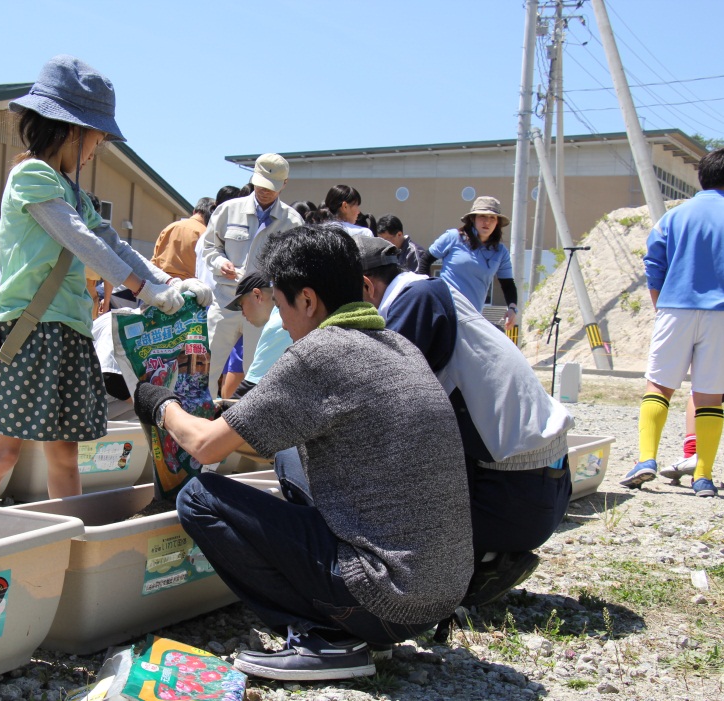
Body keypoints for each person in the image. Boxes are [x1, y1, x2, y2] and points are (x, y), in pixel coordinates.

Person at [134, 225, 472, 681]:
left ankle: (325, 636)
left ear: (308, 301)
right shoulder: (398, 347)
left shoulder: (319, 353)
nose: (283, 322)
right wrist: (233, 413)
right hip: (438, 590)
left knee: (198, 498)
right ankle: (350, 623)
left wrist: (161, 404)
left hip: (386, 597)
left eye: (280, 306)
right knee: (290, 455)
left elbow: (203, 445)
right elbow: (285, 423)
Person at [0, 55, 211, 505]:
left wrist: (168, 285)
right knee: (2, 452)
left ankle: (68, 534)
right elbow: (80, 240)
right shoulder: (31, 175)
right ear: (72, 129)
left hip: (70, 332)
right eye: (98, 136)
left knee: (64, 455)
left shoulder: (73, 191)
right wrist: (143, 289)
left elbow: (113, 242)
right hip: (32, 330)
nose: (99, 147)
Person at [355, 235, 573, 606]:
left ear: (365, 286)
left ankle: (467, 569)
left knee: (375, 467)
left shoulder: (412, 305)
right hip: (546, 486)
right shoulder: (436, 294)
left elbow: (372, 407)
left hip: (512, 498)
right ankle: (486, 558)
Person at [620, 148, 724, 498]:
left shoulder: (674, 217)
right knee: (711, 396)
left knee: (659, 386)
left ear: (702, 177)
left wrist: (659, 304)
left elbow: (654, 262)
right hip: (721, 314)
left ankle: (646, 459)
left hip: (674, 307)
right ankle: (704, 476)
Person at [201, 154, 304, 394]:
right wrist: (220, 263)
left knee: (258, 374)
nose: (264, 191)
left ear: (284, 184)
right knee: (205, 367)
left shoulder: (292, 221)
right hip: (225, 301)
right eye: (260, 184)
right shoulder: (228, 210)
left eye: (271, 187)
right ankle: (198, 419)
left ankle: (248, 427)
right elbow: (209, 246)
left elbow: (296, 267)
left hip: (265, 309)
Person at [418, 196, 517, 330]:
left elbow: (508, 285)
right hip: (443, 311)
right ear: (472, 218)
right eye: (482, 216)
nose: (487, 222)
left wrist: (512, 309)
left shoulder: (501, 251)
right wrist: (428, 292)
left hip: (473, 317)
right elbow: (425, 260)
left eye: (492, 218)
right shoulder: (454, 237)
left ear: (497, 222)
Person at [222, 269, 292, 398]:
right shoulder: (289, 310)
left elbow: (249, 388)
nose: (242, 313)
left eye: (241, 305)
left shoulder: (278, 323)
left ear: (257, 295)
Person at [151, 197, 216, 281]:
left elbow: (154, 260)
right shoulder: (206, 234)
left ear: (194, 212)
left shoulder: (169, 227)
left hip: (162, 282)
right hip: (190, 287)